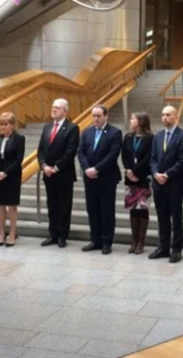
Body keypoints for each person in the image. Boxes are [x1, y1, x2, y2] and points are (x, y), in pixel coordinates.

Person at [149, 105, 183, 263]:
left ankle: (176, 249)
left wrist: (166, 174)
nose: (164, 118)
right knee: (162, 217)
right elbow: (152, 158)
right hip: (158, 184)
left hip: (174, 184)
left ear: (176, 117)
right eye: (162, 115)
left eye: (168, 115)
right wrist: (155, 174)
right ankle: (163, 247)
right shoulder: (158, 136)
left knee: (176, 217)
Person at [78, 105, 122, 255]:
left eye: (98, 116)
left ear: (105, 116)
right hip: (89, 179)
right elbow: (81, 152)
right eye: (94, 116)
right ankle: (95, 240)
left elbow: (112, 155)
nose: (95, 119)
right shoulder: (87, 132)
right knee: (92, 210)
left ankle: (106, 242)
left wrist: (96, 169)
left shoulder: (115, 132)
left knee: (107, 211)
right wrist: (86, 169)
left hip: (107, 178)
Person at [37, 98, 80, 248]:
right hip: (48, 174)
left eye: (57, 108)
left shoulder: (72, 128)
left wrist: (56, 167)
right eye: (53, 107)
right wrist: (43, 166)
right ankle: (52, 234)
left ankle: (62, 235)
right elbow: (41, 150)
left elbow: (70, 151)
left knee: (63, 206)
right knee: (51, 205)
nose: (54, 110)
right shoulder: (47, 127)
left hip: (63, 174)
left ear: (65, 111)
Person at [0, 112, 25, 247]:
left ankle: (12, 234)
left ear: (12, 125)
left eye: (5, 124)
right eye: (1, 124)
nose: (2, 127)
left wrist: (5, 173)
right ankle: (1, 233)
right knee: (0, 205)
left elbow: (18, 159)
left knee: (11, 206)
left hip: (12, 176)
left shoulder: (19, 139)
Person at [121, 111, 153, 254]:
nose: (131, 120)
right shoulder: (128, 137)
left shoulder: (150, 138)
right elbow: (124, 155)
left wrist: (135, 171)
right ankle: (133, 241)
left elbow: (148, 158)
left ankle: (141, 242)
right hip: (130, 178)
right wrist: (128, 170)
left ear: (141, 121)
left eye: (133, 118)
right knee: (133, 209)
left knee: (142, 210)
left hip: (142, 178)